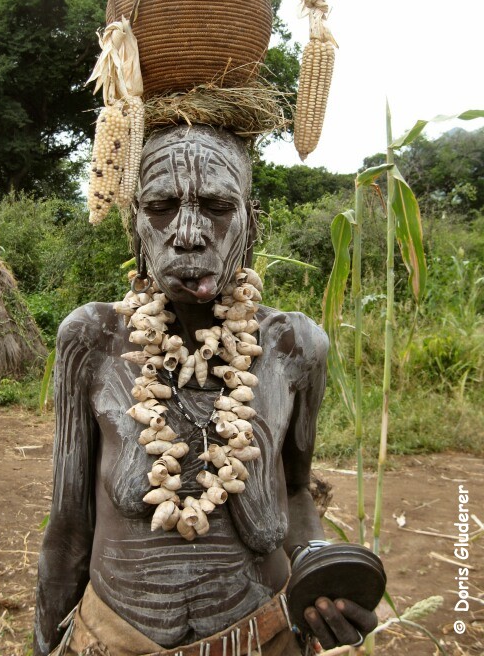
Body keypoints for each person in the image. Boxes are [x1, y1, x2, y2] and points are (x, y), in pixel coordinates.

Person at [34, 125, 379, 656]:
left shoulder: (294, 345)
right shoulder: (93, 339)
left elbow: (292, 490)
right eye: (162, 206)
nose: (189, 232)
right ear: (135, 225)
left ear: (251, 222)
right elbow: (68, 528)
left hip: (265, 638)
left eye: (217, 206)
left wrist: (320, 573)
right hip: (114, 641)